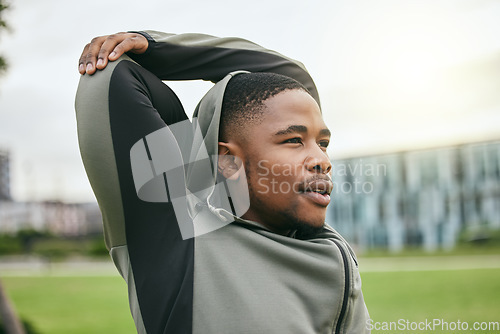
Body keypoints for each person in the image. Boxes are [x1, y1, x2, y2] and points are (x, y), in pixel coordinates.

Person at [75, 30, 370, 334]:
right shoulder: (177, 238)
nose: (322, 160)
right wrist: (155, 49)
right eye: (294, 140)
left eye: (323, 143)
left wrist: (164, 47)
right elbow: (107, 74)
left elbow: (289, 78)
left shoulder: (323, 247)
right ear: (227, 161)